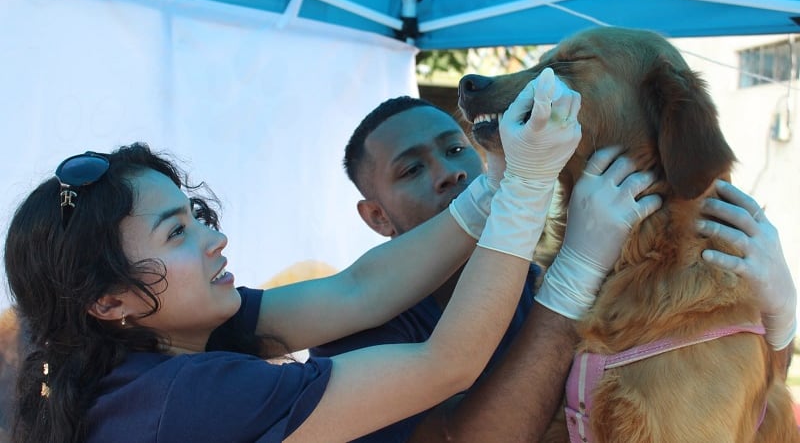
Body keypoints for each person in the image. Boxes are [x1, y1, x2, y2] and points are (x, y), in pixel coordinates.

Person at [6, 69, 591, 443]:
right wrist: (529, 190)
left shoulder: (152, 343)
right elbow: (446, 364)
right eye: (174, 234)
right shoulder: (186, 395)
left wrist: (495, 185)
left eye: (196, 219)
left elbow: (357, 290)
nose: (216, 240)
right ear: (108, 301)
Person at [311, 94, 798, 441]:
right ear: (377, 217)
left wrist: (778, 321)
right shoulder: (355, 336)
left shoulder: (531, 281)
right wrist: (572, 281)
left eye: (456, 149)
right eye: (412, 170)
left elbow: (725, 392)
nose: (450, 172)